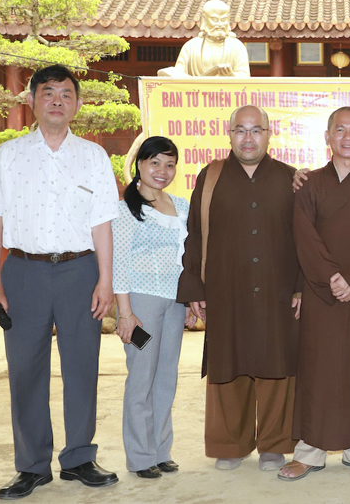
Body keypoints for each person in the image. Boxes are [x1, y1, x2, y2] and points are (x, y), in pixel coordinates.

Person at [0, 65, 120, 500]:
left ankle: (79, 457)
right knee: (25, 368)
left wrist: (105, 280)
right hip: (23, 271)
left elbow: (102, 223)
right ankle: (32, 465)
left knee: (82, 365)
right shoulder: (6, 156)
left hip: (79, 270)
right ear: (31, 100)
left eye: (66, 94)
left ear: (78, 104)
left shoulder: (93, 156)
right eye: (48, 93)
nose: (57, 101)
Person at [176, 105, 301, 472]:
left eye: (256, 130)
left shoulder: (290, 178)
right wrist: (194, 286)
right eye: (241, 130)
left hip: (277, 290)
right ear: (229, 134)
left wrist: (301, 288)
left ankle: (275, 444)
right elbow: (195, 233)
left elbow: (304, 238)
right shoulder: (211, 176)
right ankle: (230, 444)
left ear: (268, 134)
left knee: (277, 366)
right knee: (228, 364)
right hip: (225, 289)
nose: (248, 138)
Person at [279, 107, 350, 481]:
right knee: (319, 369)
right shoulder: (309, 184)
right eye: (340, 130)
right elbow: (304, 237)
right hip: (322, 292)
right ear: (327, 137)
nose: (348, 137)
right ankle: (309, 453)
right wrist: (332, 277)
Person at [112, 136, 194, 479]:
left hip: (174, 303)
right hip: (141, 304)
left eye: (170, 164)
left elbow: (188, 257)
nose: (163, 170)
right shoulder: (125, 209)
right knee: (141, 378)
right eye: (155, 162)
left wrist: (190, 299)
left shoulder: (182, 205)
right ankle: (140, 456)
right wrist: (125, 313)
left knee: (166, 378)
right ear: (140, 165)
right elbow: (118, 262)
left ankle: (161, 451)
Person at [159, 0, 250, 77]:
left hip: (226, 92)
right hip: (195, 92)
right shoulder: (191, 47)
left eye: (223, 20)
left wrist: (231, 75)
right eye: (215, 20)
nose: (220, 24)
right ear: (204, 18)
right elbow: (178, 75)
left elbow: (245, 78)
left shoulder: (237, 47)